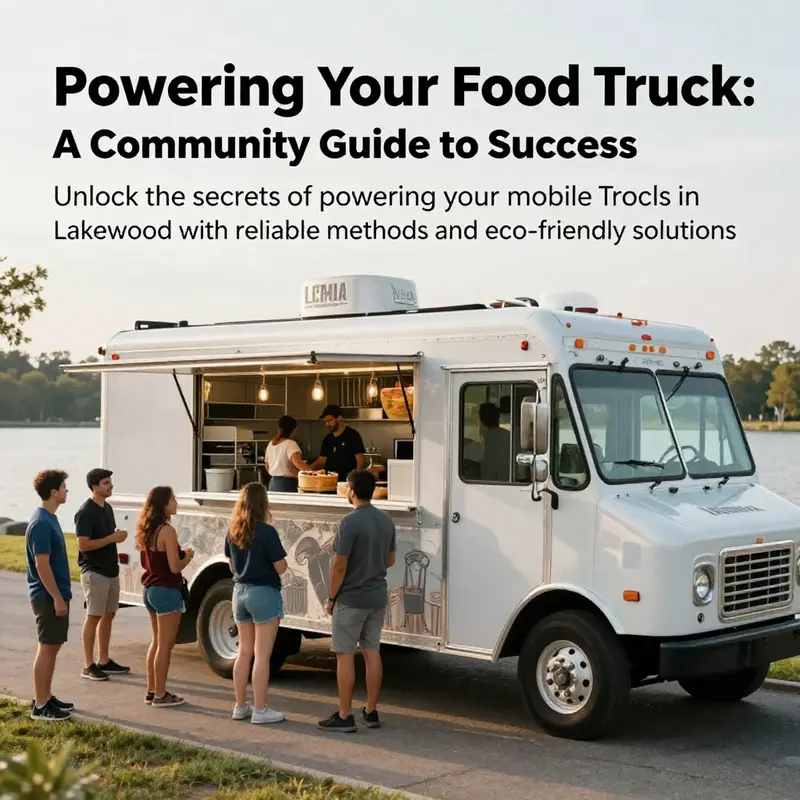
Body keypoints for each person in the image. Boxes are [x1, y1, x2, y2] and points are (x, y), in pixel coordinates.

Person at [318, 469, 396, 733]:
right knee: (372, 651)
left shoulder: (348, 523)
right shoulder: (387, 521)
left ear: (351, 490)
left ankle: (344, 715)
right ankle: (371, 711)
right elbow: (390, 560)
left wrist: (331, 598)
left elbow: (339, 566)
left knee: (345, 655)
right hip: (377, 595)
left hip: (351, 597)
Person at [225, 482, 288, 724]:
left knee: (243, 652)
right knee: (262, 656)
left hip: (239, 592)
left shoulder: (233, 530)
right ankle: (260, 710)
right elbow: (280, 567)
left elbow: (231, 564)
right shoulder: (267, 532)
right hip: (263, 593)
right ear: (263, 504)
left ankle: (240, 706)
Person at [136, 486, 194, 708]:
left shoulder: (148, 530)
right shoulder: (167, 531)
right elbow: (174, 567)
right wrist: (187, 557)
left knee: (156, 642)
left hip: (150, 589)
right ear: (164, 504)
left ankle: (152, 690)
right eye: (173, 500)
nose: (176, 503)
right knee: (165, 646)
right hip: (167, 590)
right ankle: (161, 694)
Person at [26, 469, 74, 721]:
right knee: (46, 648)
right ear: (54, 491)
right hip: (47, 596)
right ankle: (41, 704)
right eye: (64, 486)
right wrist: (56, 597)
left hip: (55, 594)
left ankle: (45, 695)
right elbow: (42, 565)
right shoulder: (42, 523)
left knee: (52, 647)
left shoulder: (50, 518)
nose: (67, 490)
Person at [75, 467, 130, 681]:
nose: (111, 486)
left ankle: (104, 660)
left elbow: (108, 536)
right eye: (106, 482)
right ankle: (88, 665)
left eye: (110, 482)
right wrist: (111, 539)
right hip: (94, 572)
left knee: (109, 616)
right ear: (94, 486)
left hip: (111, 570)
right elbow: (83, 545)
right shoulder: (85, 512)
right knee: (94, 617)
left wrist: (116, 536)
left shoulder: (107, 508)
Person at [309, 404, 366, 482]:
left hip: (346, 482)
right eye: (325, 421)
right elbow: (321, 461)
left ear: (339, 418)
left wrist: (355, 481)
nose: (327, 424)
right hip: (329, 482)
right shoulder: (327, 439)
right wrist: (306, 470)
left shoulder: (352, 435)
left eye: (330, 420)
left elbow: (360, 462)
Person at [264, 415, 311, 492]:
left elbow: (266, 465)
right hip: (287, 484)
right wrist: (314, 474)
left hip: (273, 483)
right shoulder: (290, 444)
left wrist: (276, 471)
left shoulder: (271, 444)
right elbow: (298, 464)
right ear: (293, 430)